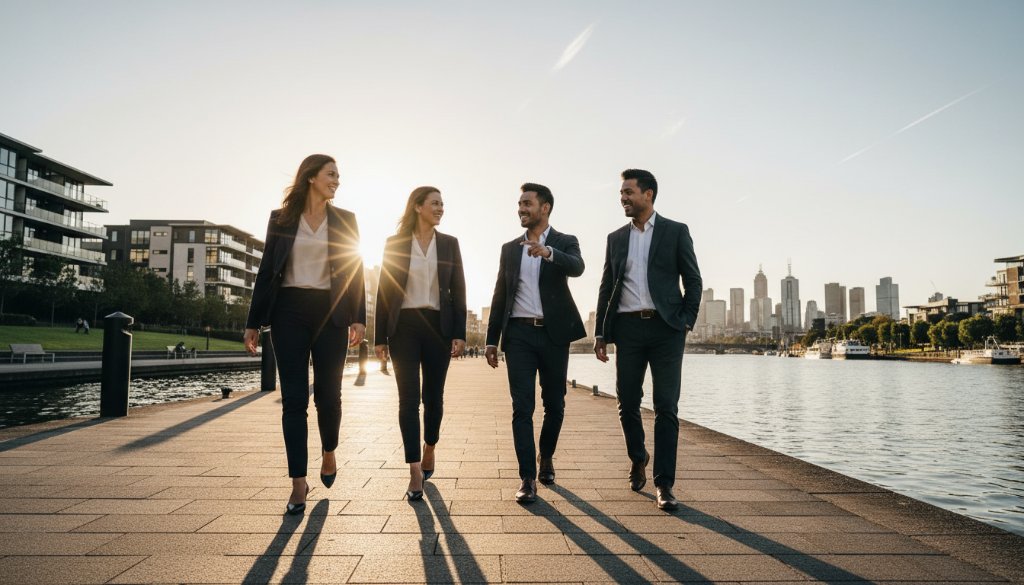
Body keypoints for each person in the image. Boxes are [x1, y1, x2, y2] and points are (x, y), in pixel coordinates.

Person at [244, 154, 366, 515]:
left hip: (331, 313)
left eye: (339, 176)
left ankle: (329, 451)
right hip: (289, 312)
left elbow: (355, 267)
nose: (337, 181)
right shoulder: (281, 219)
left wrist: (358, 316)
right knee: (294, 399)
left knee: (329, 396)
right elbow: (267, 270)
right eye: (331, 174)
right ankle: (298, 482)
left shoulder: (345, 220)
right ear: (311, 177)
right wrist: (254, 321)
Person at [594, 169, 702, 511]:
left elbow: (694, 281)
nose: (622, 197)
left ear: (648, 194)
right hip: (627, 329)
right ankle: (638, 457)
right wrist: (601, 333)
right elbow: (606, 287)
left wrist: (684, 321)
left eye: (628, 192)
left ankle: (664, 483)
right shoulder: (615, 238)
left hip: (666, 329)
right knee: (627, 402)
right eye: (621, 193)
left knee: (666, 407)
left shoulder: (675, 232)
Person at [485, 183, 585, 504]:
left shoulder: (564, 241)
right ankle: (527, 477)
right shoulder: (509, 248)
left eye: (527, 203)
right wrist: (491, 341)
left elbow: (578, 266)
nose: (521, 208)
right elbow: (500, 294)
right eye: (519, 203)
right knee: (522, 407)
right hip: (519, 336)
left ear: (545, 208)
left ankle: (546, 456)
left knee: (555, 404)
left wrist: (549, 253)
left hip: (554, 334)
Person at [375, 186, 466, 500]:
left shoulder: (450, 244)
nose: (440, 208)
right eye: (435, 203)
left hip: (438, 327)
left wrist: (459, 333)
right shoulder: (395, 244)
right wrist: (379, 338)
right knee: (408, 399)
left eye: (443, 203)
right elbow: (385, 291)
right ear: (417, 207)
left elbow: (458, 290)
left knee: (433, 397)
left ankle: (430, 445)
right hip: (404, 328)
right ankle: (414, 469)